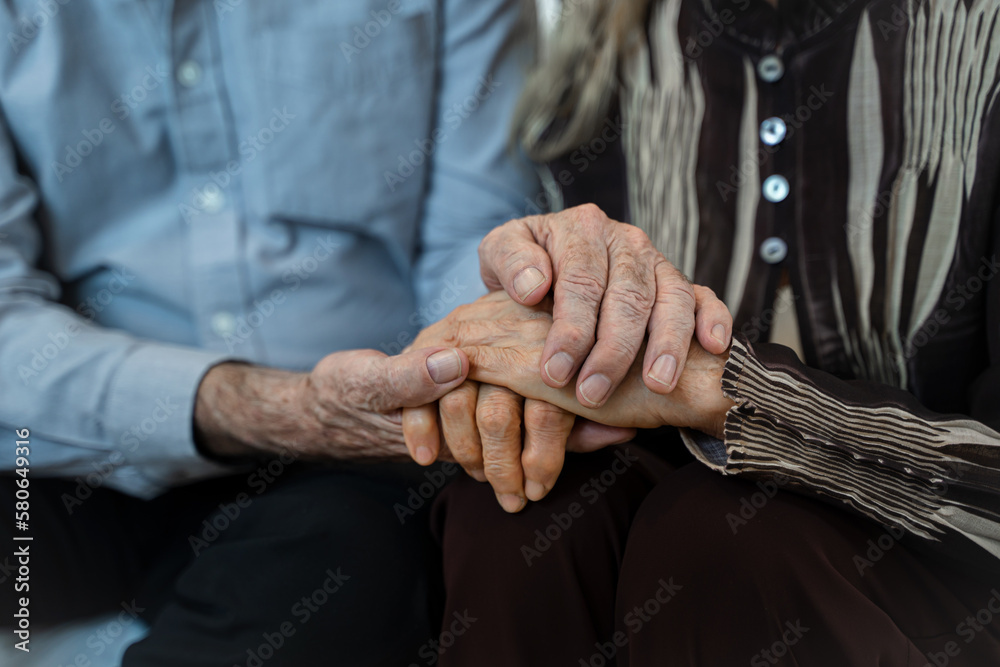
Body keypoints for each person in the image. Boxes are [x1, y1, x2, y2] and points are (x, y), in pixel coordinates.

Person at [0, 1, 735, 664]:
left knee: (347, 566)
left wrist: (493, 357)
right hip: (55, 451)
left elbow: (468, 242)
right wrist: (274, 408)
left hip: (358, 456)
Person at [411, 0, 1000, 664]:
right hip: (675, 511)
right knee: (518, 515)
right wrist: (526, 359)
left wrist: (725, 391)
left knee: (722, 541)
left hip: (950, 559)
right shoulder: (612, 46)